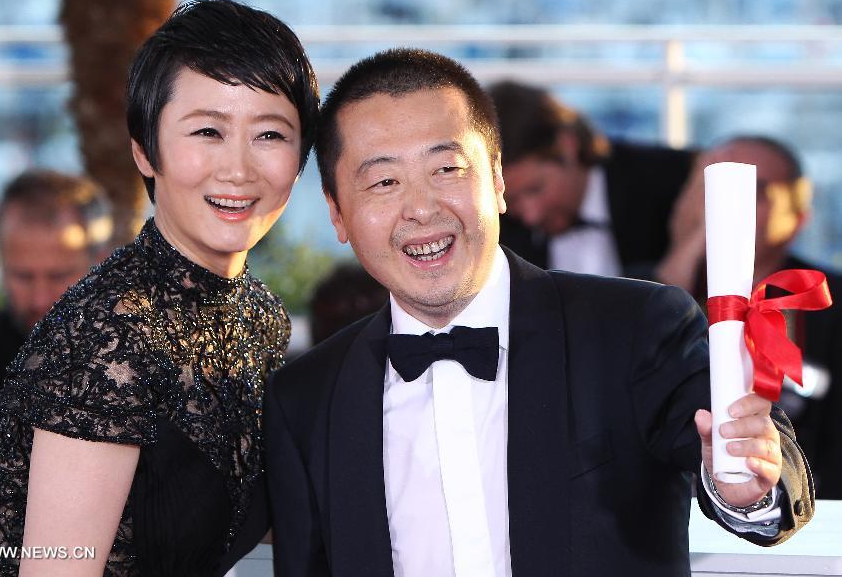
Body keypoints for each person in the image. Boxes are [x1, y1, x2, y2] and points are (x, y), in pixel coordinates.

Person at [264, 49, 813, 577]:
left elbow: (759, 462)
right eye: (384, 181)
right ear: (338, 214)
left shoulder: (637, 325)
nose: (422, 208)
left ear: (498, 179)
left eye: (447, 168)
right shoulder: (305, 401)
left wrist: (745, 484)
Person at [0, 0, 319, 576]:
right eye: (208, 130)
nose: (238, 169)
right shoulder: (107, 335)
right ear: (144, 149)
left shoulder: (259, 318)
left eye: (270, 134)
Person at [655, 135, 842, 499]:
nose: (727, 203)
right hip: (677, 503)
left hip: (804, 504)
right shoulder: (648, 288)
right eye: (707, 186)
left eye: (755, 190)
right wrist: (687, 248)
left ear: (797, 216)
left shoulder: (823, 295)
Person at [0, 169, 112, 436]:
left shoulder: (137, 363)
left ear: (99, 263)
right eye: (22, 276)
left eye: (58, 276)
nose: (40, 298)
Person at [488, 80, 695, 277]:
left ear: (567, 146)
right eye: (511, 200)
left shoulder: (664, 180)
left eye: (535, 189)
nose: (531, 215)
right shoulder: (497, 229)